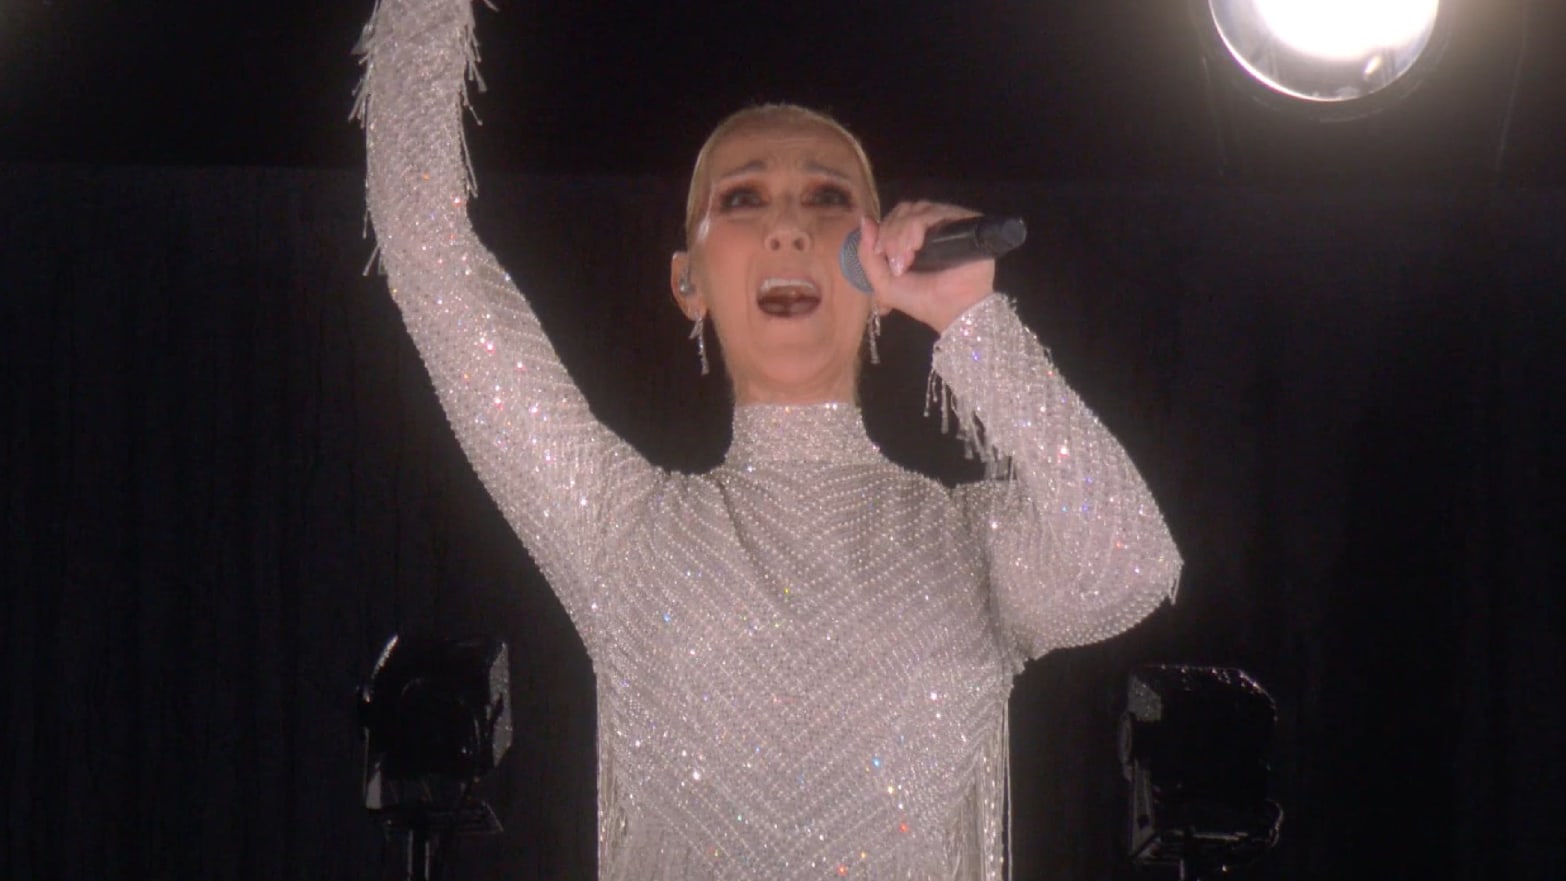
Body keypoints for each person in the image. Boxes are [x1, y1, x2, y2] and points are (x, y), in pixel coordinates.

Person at [356, 1, 1181, 879]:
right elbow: (428, 253)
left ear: (880, 268)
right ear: (688, 280)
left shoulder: (964, 543)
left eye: (829, 199)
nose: (789, 226)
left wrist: (972, 320)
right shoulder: (623, 531)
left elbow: (1129, 564)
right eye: (742, 198)